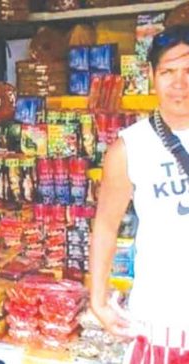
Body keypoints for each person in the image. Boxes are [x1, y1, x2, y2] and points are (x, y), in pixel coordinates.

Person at [90, 25, 189, 363]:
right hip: (161, 325)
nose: (180, 83)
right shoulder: (129, 148)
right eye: (168, 72)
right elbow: (105, 226)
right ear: (151, 75)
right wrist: (98, 300)